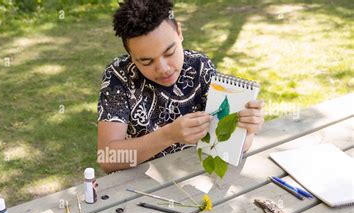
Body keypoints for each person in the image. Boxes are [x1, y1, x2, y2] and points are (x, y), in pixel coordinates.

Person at [97, 0, 264, 173]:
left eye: (169, 53)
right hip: (139, 186)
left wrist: (247, 130)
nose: (163, 69)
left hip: (193, 175)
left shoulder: (200, 66)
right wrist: (168, 135)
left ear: (179, 33)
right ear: (131, 55)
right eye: (146, 61)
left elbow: (228, 146)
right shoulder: (119, 76)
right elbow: (108, 158)